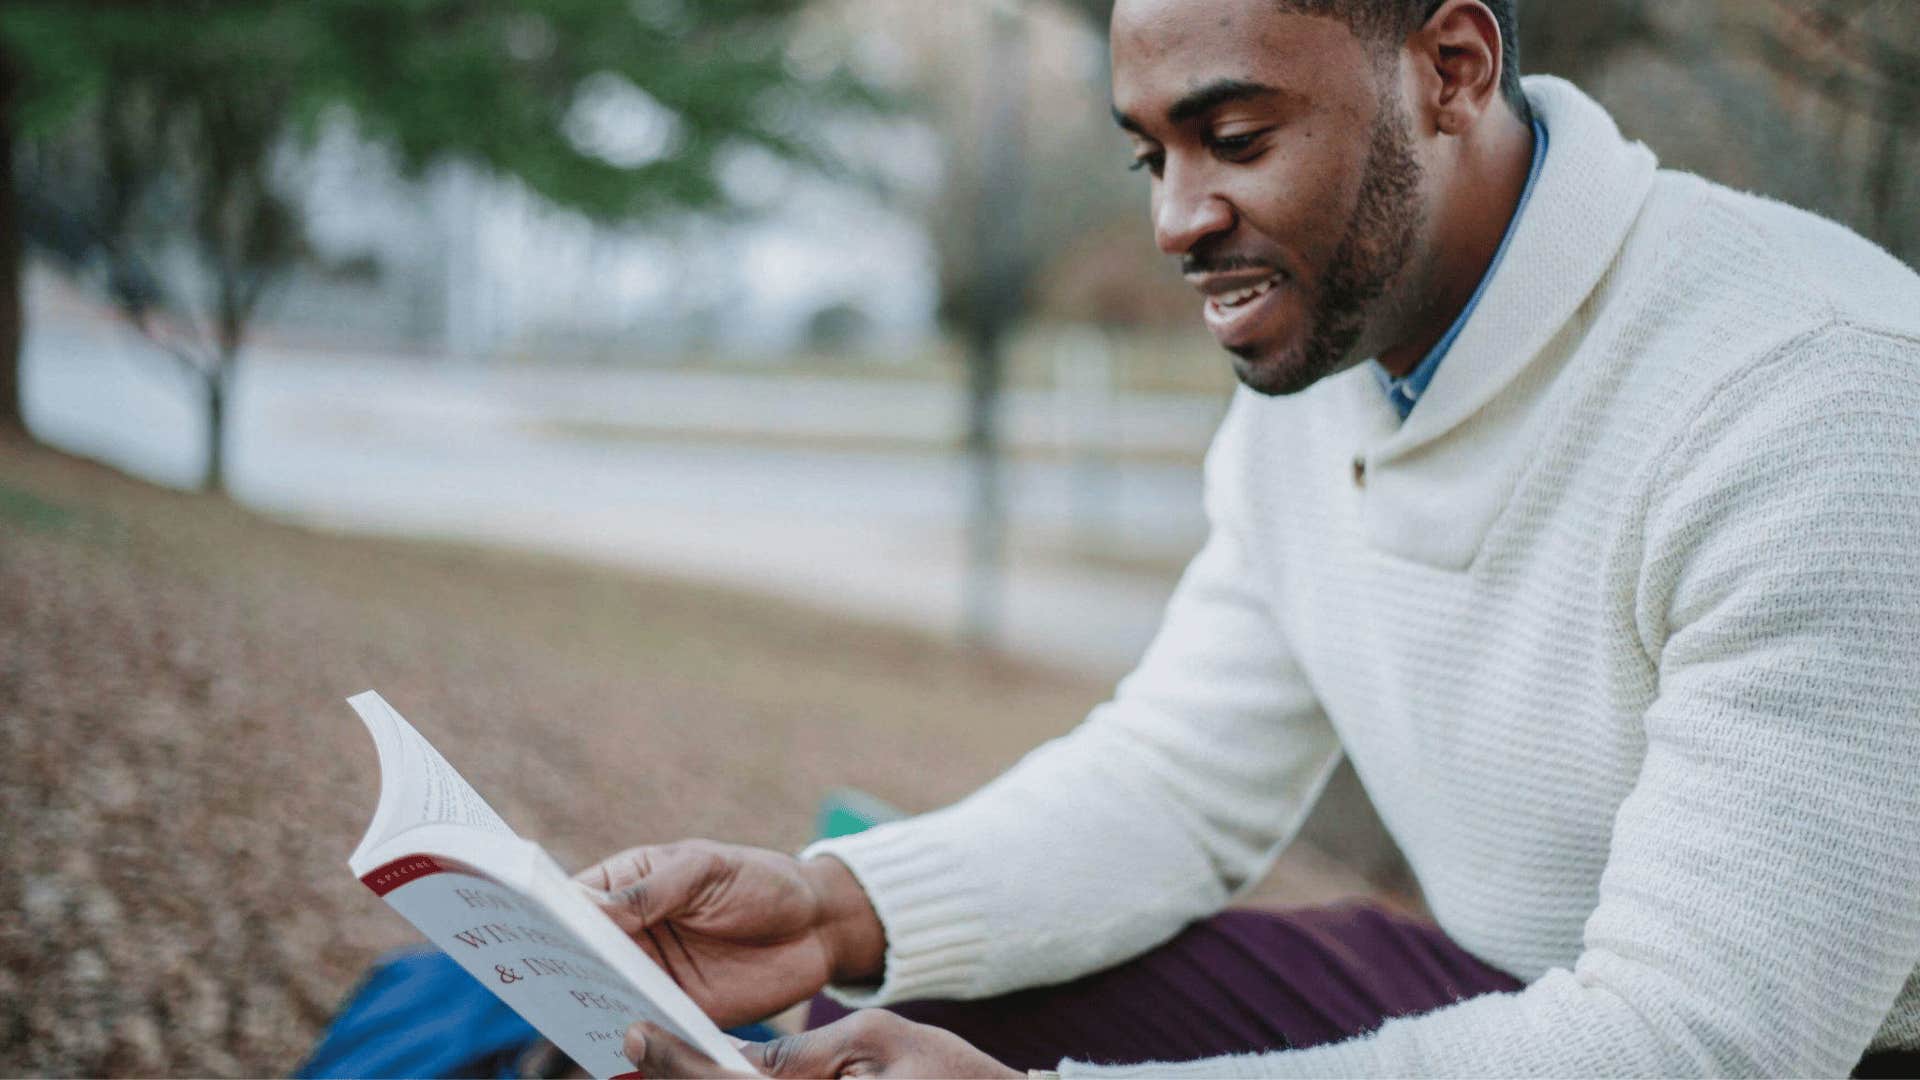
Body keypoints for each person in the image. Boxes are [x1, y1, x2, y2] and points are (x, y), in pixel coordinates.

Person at [578, 0, 1920, 1075]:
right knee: (892, 1034)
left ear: (1450, 68)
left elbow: (1704, 1044)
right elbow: (1176, 780)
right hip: (1518, 989)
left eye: (1234, 134)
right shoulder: (1333, 353)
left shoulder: (1817, 399)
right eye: (1153, 150)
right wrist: (828, 909)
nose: (1174, 219)